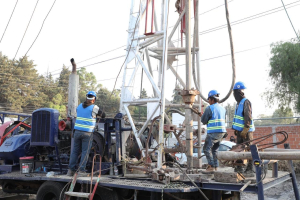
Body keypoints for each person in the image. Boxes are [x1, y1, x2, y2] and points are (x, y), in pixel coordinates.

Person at [67, 91, 105, 176]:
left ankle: (70, 170)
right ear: (94, 99)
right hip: (87, 133)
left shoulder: (79, 106)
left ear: (86, 98)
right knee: (85, 151)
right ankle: (81, 171)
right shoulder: (94, 107)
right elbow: (103, 115)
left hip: (76, 132)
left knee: (74, 151)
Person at [232, 81, 255, 177]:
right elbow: (238, 118)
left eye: (236, 92)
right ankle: (239, 167)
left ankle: (250, 169)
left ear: (240, 92)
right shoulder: (238, 103)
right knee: (239, 149)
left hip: (246, 131)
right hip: (240, 132)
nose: (235, 95)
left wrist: (245, 129)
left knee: (249, 149)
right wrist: (237, 129)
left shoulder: (245, 102)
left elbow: (247, 116)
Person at [201, 90, 227, 173]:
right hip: (222, 132)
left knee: (206, 149)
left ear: (212, 99)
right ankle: (215, 167)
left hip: (213, 132)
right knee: (214, 150)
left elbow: (204, 121)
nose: (208, 101)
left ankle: (211, 166)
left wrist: (203, 116)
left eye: (209, 99)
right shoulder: (223, 108)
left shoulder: (209, 108)